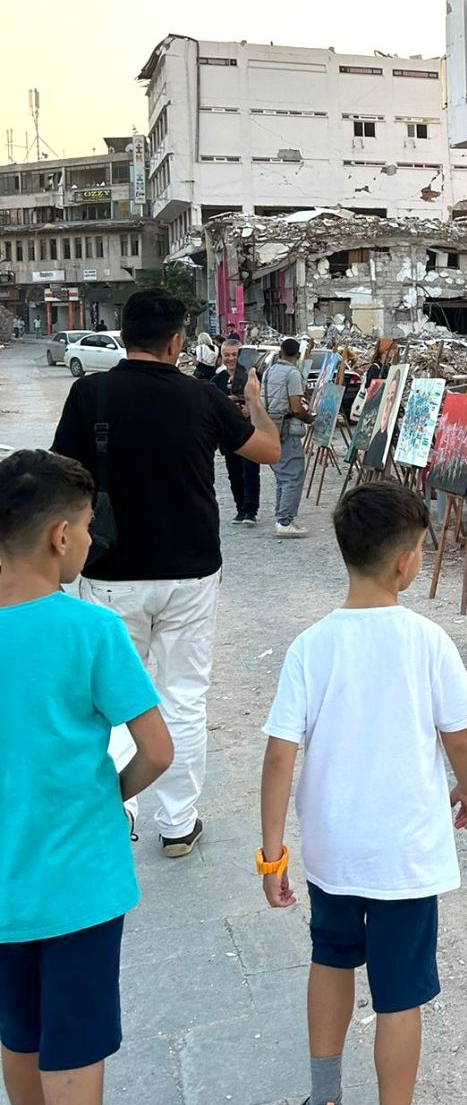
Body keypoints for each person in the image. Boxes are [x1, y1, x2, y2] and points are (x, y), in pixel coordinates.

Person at [259, 482, 467, 1105]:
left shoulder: (310, 646)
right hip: (405, 858)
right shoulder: (426, 641)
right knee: (398, 997)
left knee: (329, 960)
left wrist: (272, 850)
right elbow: (458, 734)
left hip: (332, 851)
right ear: (407, 563)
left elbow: (278, 753)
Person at [0, 449, 173, 1105]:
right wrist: (113, 794)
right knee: (77, 1068)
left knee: (17, 1031)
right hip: (76, 884)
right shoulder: (90, 629)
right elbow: (157, 751)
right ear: (61, 538)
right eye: (89, 527)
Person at [52, 287, 281, 857]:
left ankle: (115, 815)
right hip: (191, 573)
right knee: (183, 697)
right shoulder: (202, 398)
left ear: (124, 335)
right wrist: (253, 399)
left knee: (109, 698)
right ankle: (178, 822)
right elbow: (269, 451)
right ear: (178, 340)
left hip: (109, 571)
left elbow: (59, 477)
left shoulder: (90, 395)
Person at [261, 339, 313, 539]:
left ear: (281, 352)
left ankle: (282, 517)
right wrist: (309, 419)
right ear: (298, 355)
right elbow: (295, 407)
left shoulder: (269, 371)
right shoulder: (292, 374)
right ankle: (285, 521)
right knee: (293, 475)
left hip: (270, 426)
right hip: (287, 428)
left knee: (282, 476)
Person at [212, 341, 260, 525]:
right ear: (221, 356)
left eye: (234, 354)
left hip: (250, 432)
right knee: (234, 473)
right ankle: (240, 508)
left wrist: (250, 407)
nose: (231, 358)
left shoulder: (253, 378)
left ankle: (250, 510)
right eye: (227, 355)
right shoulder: (217, 381)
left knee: (250, 471)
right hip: (228, 435)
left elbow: (262, 401)